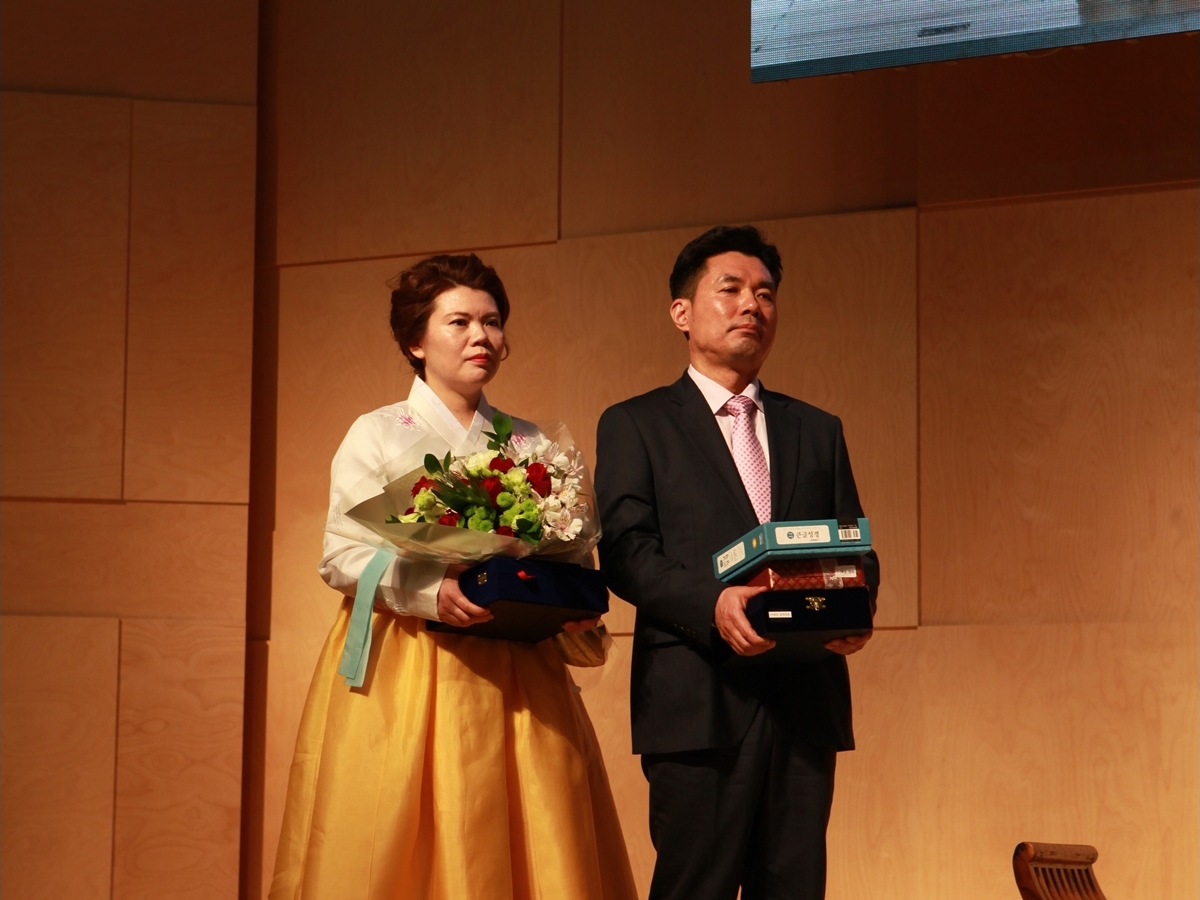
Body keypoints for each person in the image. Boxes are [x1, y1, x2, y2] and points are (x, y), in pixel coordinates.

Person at [271, 253, 638, 900]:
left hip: (518, 659)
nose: (481, 337)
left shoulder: (531, 444)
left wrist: (569, 601)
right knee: (401, 830)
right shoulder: (377, 433)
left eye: (492, 322)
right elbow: (340, 554)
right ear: (416, 341)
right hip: (411, 659)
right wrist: (428, 592)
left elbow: (567, 553)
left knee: (533, 826)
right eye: (460, 322)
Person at [594, 225, 879, 900]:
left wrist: (856, 607)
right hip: (698, 704)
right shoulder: (636, 424)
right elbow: (627, 552)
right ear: (682, 312)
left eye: (766, 294)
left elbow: (854, 547)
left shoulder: (818, 428)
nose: (753, 304)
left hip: (805, 704)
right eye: (731, 289)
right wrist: (712, 603)